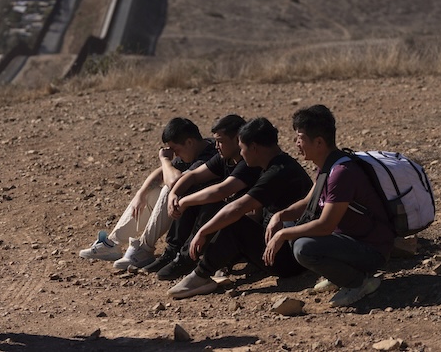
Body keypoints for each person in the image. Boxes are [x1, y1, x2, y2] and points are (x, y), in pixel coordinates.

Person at [262, 104, 395, 307]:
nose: (296, 143)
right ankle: (340, 275)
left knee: (302, 247)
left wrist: (282, 235)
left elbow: (325, 225)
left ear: (319, 142)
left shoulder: (341, 172)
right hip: (348, 241)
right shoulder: (327, 165)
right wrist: (279, 217)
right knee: (289, 226)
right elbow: (307, 203)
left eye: (300, 138)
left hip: (371, 250)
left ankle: (359, 283)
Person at [167, 117, 312, 299]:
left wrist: (203, 232)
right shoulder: (276, 165)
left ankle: (201, 276)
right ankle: (213, 265)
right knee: (235, 220)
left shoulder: (279, 172)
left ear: (254, 148)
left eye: (242, 148)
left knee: (234, 223)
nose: (241, 154)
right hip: (278, 246)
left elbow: (238, 207)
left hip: (289, 260)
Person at [79, 117, 217, 270]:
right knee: (150, 193)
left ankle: (144, 249)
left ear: (189, 142)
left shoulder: (209, 154)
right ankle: (112, 244)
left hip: (199, 216)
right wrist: (141, 194)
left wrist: (165, 161)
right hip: (182, 212)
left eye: (176, 150)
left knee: (168, 189)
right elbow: (159, 174)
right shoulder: (191, 151)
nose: (176, 155)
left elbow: (176, 183)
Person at [147, 114, 263, 280]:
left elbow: (221, 191)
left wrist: (184, 201)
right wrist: (175, 193)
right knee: (192, 191)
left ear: (237, 139)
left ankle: (188, 258)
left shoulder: (248, 162)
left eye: (220, 141)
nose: (216, 146)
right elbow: (193, 176)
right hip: (233, 221)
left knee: (211, 202)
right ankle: (173, 251)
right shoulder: (225, 157)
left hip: (249, 227)